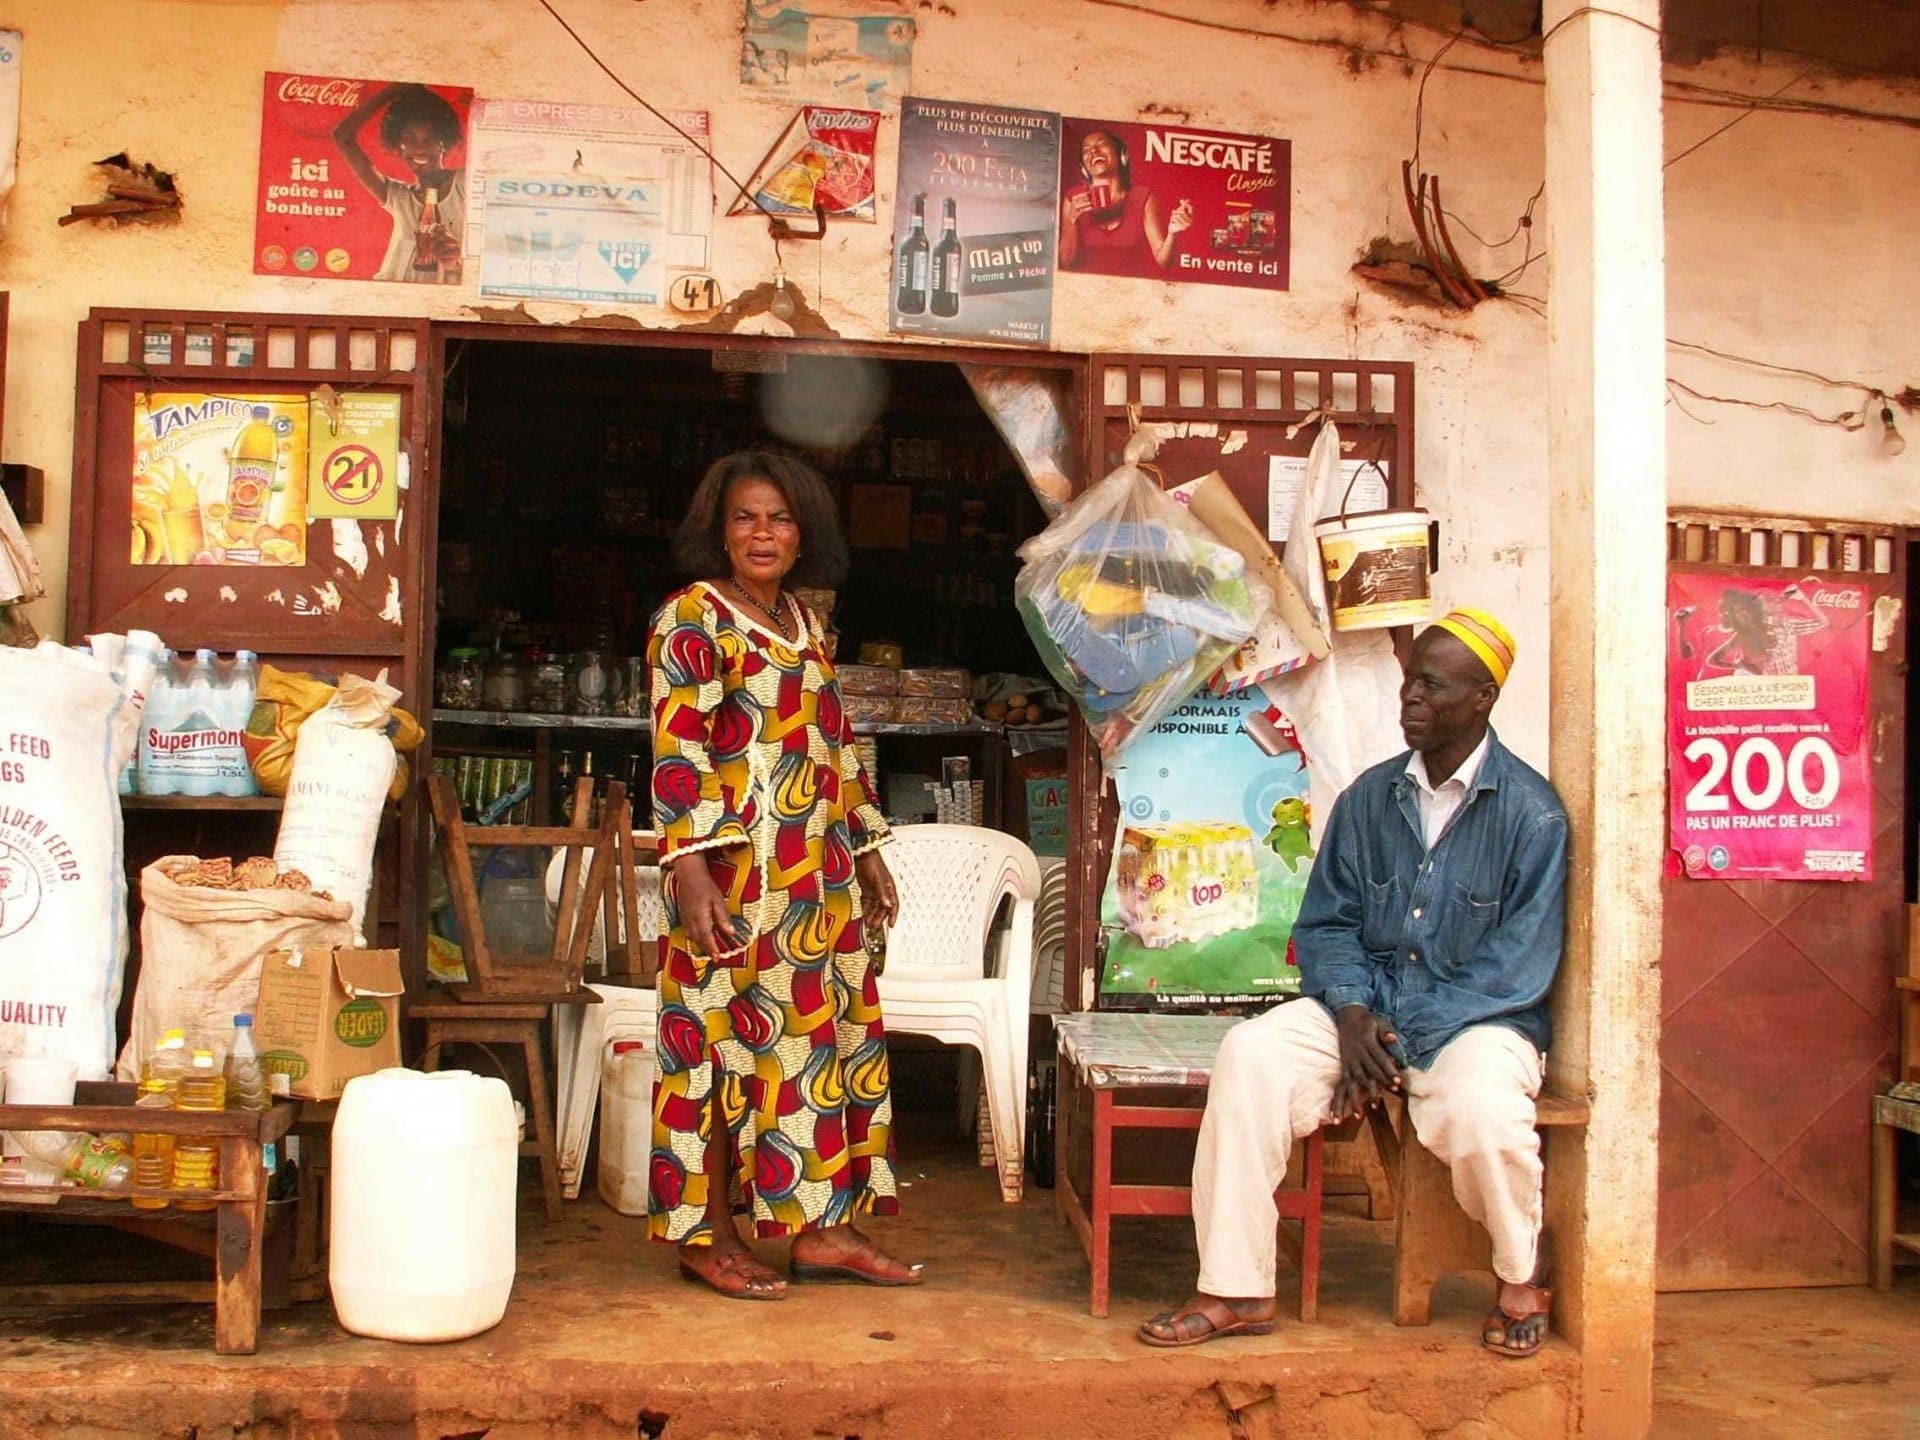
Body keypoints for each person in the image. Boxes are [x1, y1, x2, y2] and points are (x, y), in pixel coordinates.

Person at [1139, 609, 1567, 1358]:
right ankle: (1236, 1287)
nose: (1411, 700)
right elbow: (1326, 925)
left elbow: (1517, 967)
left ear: (1481, 701)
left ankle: (1520, 1274)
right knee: (1251, 1056)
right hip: (1363, 1011)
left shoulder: (1533, 817)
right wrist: (1354, 1013)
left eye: (1432, 687)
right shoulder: (1371, 798)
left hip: (1475, 1021)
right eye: (1408, 683)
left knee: (1482, 1110)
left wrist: (1393, 1034)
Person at [647, 450, 921, 1300]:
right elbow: (677, 752)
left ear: (805, 536)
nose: (761, 533)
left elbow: (835, 749)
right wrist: (691, 876)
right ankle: (707, 1238)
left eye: (779, 519)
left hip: (818, 881)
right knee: (716, 1056)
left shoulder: (803, 622)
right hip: (733, 883)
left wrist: (868, 850)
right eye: (744, 518)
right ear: (717, 531)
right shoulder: (693, 618)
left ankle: (819, 1233)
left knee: (817, 1051)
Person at [331, 82, 466, 283]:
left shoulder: (464, 183)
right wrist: (394, 89)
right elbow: (343, 136)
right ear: (397, 144)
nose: (420, 149)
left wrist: (460, 258)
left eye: (430, 139)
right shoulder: (398, 197)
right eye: (409, 139)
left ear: (444, 141)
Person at [1059, 129, 1193, 273]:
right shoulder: (1073, 198)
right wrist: (1071, 221)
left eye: (1101, 144)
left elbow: (1164, 261)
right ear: (1083, 166)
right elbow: (1065, 262)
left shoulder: (1142, 197)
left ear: (1120, 155)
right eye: (1087, 150)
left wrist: (1173, 233)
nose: (1094, 151)